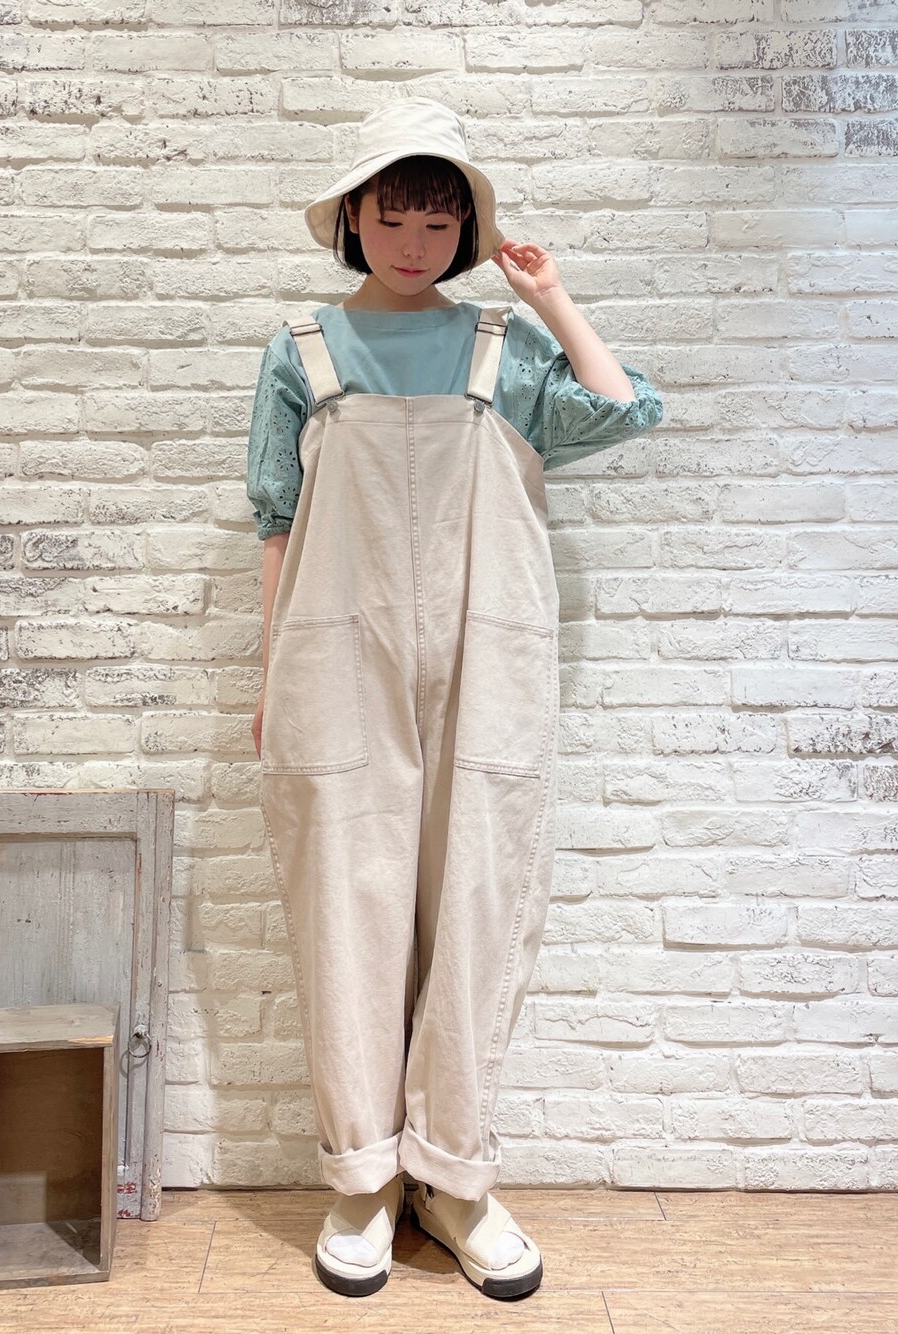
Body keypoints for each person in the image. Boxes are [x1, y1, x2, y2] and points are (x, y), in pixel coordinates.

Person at [246, 96, 663, 1301]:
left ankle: (456, 1173)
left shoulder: (501, 346)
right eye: (392, 217)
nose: (414, 242)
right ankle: (364, 1175)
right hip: (336, 657)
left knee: (481, 895)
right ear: (353, 222)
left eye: (439, 221)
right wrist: (270, 674)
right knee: (347, 903)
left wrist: (551, 297)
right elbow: (275, 520)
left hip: (492, 656)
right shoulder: (301, 348)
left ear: (466, 231)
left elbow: (622, 409)